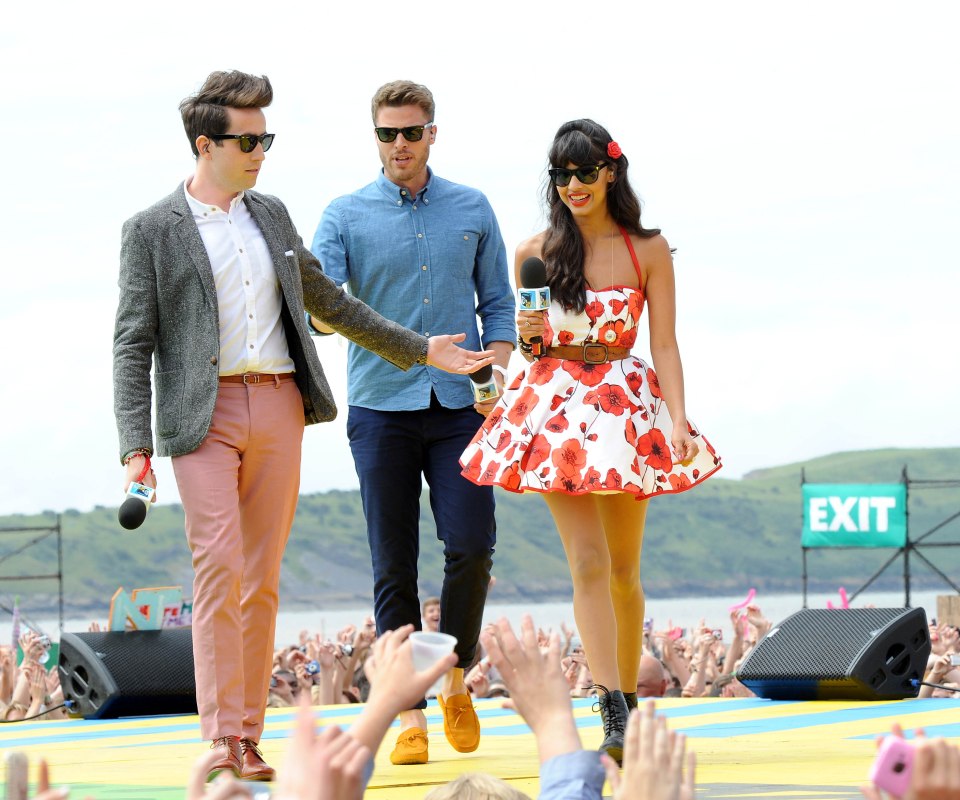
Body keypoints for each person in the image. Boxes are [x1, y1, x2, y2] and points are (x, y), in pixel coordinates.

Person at [112, 70, 494, 782]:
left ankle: (248, 738)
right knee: (220, 566)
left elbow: (332, 304)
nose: (261, 150)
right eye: (249, 139)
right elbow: (133, 341)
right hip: (203, 415)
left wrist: (421, 348)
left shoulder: (274, 215)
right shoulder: (151, 231)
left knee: (260, 579)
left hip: (281, 404)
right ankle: (222, 737)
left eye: (267, 137)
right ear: (206, 144)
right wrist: (136, 444)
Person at [460, 119, 721, 763]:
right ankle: (609, 705)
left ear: (610, 172)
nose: (572, 185)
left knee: (626, 572)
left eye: (583, 172)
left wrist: (679, 419)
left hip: (626, 407)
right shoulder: (537, 251)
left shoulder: (648, 250)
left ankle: (626, 698)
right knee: (588, 564)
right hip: (556, 407)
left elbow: (664, 343)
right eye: (560, 175)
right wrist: (525, 332)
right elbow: (531, 349)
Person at [310, 80, 515, 765]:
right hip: (380, 409)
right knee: (393, 566)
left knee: (473, 543)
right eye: (388, 133)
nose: (400, 144)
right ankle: (408, 714)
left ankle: (454, 673)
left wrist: (501, 368)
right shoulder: (342, 215)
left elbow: (499, 304)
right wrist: (316, 308)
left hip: (462, 407)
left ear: (433, 132)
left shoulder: (473, 206)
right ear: (375, 138)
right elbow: (324, 307)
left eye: (412, 131)